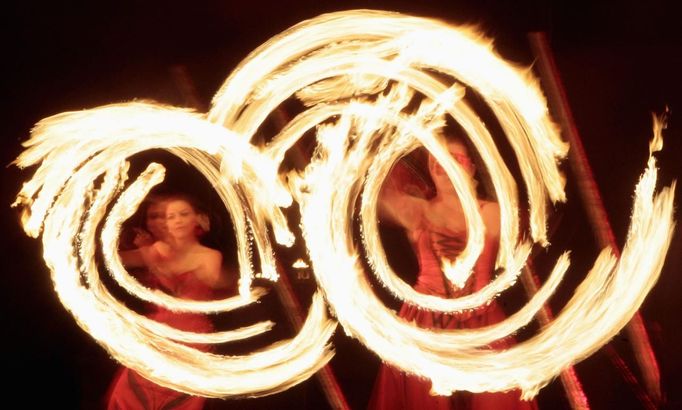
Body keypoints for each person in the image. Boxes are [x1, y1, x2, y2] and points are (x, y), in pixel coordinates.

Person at [368, 136, 536, 410]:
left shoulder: (492, 213)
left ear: (470, 168)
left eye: (455, 159)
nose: (445, 166)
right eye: (437, 162)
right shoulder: (417, 210)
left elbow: (537, 221)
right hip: (425, 323)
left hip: (481, 321)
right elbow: (376, 194)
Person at [106, 193, 225, 410]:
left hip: (191, 341)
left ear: (197, 219)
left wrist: (155, 261)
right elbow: (116, 258)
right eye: (170, 217)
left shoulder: (210, 256)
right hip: (157, 337)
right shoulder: (156, 249)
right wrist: (109, 232)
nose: (176, 220)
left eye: (183, 214)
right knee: (128, 396)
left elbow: (196, 292)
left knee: (179, 400)